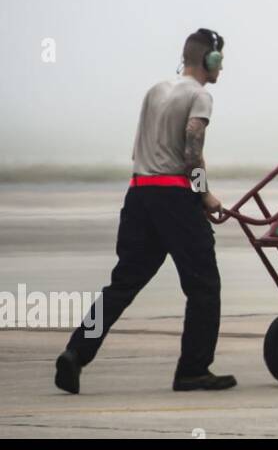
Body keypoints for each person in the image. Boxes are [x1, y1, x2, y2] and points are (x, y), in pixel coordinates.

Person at [56, 28, 236, 393]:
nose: (223, 68)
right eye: (221, 60)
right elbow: (192, 147)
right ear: (210, 59)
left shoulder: (155, 90)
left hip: (139, 194)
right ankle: (193, 370)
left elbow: (140, 147)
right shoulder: (200, 96)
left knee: (123, 284)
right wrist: (204, 195)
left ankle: (75, 353)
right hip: (174, 196)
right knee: (204, 286)